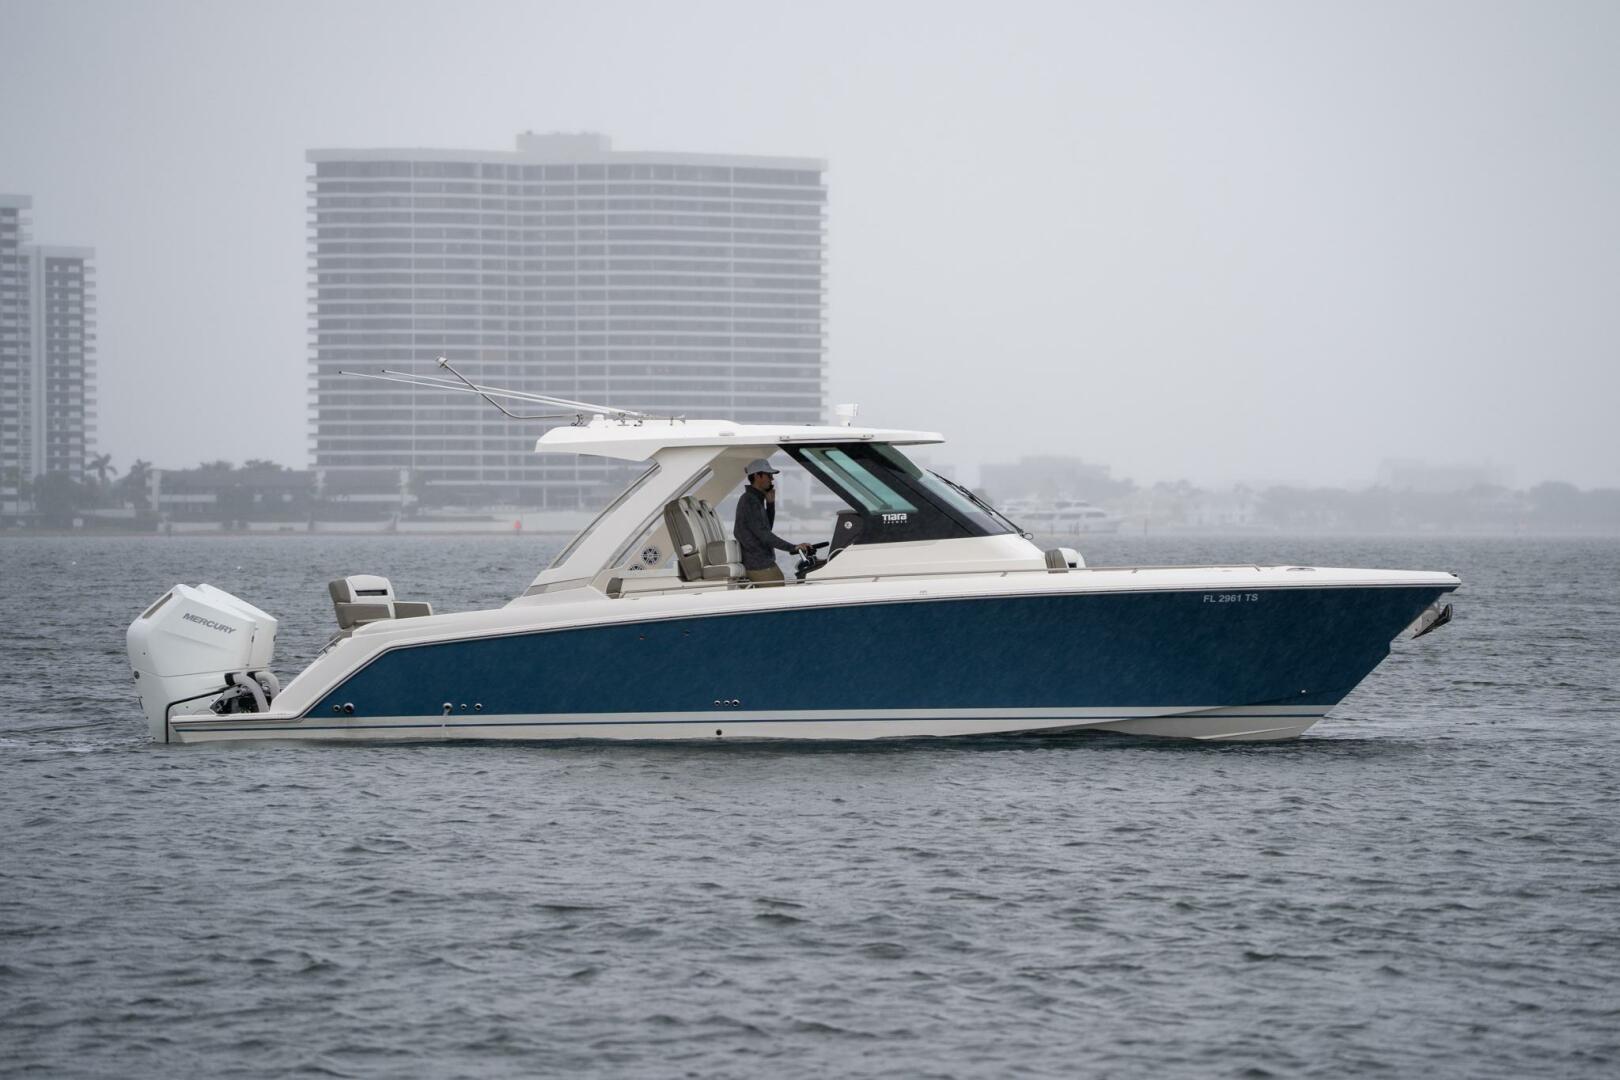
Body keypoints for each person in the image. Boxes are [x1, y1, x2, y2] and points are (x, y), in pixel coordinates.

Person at [733, 458, 814, 587]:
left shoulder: (755, 499)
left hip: (764, 561)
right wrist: (792, 547)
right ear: (757, 476)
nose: (772, 479)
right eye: (769, 475)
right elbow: (764, 534)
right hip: (758, 564)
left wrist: (770, 504)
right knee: (779, 592)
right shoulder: (749, 501)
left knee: (780, 588)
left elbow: (766, 528)